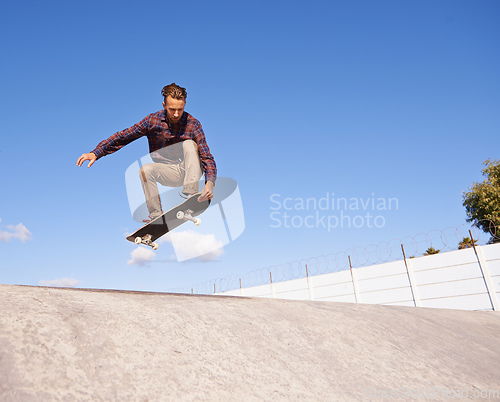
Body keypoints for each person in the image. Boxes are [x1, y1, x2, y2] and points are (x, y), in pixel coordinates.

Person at [77, 83, 216, 221]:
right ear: (164, 106)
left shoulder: (193, 124)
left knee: (190, 145)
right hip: (169, 172)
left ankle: (191, 194)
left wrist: (209, 183)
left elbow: (206, 156)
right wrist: (96, 152)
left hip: (190, 170)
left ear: (185, 104)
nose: (176, 114)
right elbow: (124, 136)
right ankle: (156, 216)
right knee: (145, 169)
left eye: (180, 109)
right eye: (172, 109)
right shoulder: (152, 121)